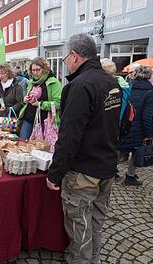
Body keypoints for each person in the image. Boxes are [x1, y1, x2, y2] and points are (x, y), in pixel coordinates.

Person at [46, 33, 121, 264]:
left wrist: (55, 173)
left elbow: (69, 136)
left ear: (75, 56)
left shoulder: (79, 86)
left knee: (81, 227)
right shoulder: (112, 82)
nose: (66, 62)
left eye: (67, 57)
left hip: (84, 171)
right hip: (106, 165)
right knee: (94, 223)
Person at [118, 64, 153, 186]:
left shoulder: (129, 87)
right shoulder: (149, 92)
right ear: (148, 76)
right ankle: (130, 176)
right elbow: (147, 116)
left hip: (126, 125)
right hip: (139, 129)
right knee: (136, 152)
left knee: (122, 150)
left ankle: (109, 170)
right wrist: (149, 135)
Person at [18, 57, 62, 140]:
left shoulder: (54, 82)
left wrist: (39, 104)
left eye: (38, 70)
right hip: (28, 119)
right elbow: (29, 98)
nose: (35, 73)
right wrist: (25, 100)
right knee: (22, 144)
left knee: (40, 149)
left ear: (44, 69)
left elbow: (59, 103)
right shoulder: (31, 82)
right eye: (33, 70)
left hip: (45, 121)